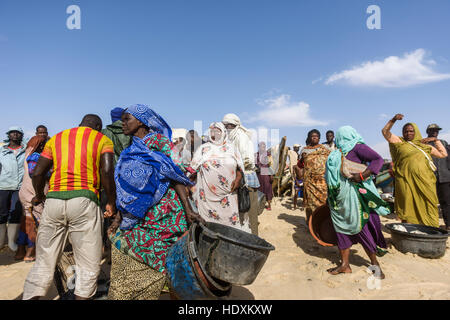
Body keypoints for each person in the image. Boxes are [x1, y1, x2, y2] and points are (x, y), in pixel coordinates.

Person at [107, 104, 203, 300]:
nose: (123, 123)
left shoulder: (160, 143)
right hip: (135, 217)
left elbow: (176, 174)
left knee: (168, 265)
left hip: (164, 214)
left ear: (141, 121)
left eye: (127, 119)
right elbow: (126, 186)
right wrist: (118, 216)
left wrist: (188, 209)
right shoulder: (131, 148)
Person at [23, 114, 116, 300]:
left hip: (54, 201)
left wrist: (40, 195)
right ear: (98, 126)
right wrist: (111, 201)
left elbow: (38, 172)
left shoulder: (57, 138)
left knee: (44, 262)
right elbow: (106, 171)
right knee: (87, 264)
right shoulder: (102, 139)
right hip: (85, 200)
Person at [326, 126, 390, 278]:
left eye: (340, 136)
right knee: (341, 229)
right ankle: (345, 265)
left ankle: (376, 265)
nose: (338, 139)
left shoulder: (357, 147)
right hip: (340, 200)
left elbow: (378, 159)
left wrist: (362, 176)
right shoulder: (338, 152)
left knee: (360, 228)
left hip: (355, 198)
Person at [382, 114, 447, 227]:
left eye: (411, 131)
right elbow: (385, 132)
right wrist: (393, 120)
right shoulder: (399, 143)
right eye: (406, 131)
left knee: (429, 204)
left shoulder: (424, 146)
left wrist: (436, 140)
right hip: (405, 181)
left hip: (426, 182)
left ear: (416, 131)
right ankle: (409, 231)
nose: (408, 133)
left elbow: (443, 154)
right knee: (408, 206)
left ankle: (429, 230)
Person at [190, 122, 249, 231]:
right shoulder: (203, 149)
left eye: (217, 131)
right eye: (212, 131)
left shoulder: (232, 149)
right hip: (207, 199)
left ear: (223, 133)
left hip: (229, 195)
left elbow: (240, 168)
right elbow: (192, 170)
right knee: (209, 227)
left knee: (230, 227)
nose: (215, 133)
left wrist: (238, 179)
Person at [222, 113, 260, 236]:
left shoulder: (241, 137)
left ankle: (253, 238)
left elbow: (247, 159)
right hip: (236, 177)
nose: (227, 128)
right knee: (240, 213)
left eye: (230, 125)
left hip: (246, 178)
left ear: (236, 125)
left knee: (249, 211)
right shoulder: (229, 138)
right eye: (225, 125)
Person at [16, 136, 48, 262]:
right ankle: (31, 251)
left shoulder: (27, 153)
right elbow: (34, 173)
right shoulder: (35, 156)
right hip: (34, 194)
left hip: (26, 192)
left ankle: (20, 251)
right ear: (40, 145)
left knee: (26, 220)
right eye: (43, 144)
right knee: (36, 223)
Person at [0, 127, 26, 253]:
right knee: (2, 214)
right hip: (3, 186)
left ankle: (11, 242)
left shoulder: (25, 150)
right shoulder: (1, 150)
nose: (15, 134)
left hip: (19, 187)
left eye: (18, 133)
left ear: (21, 136)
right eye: (12, 132)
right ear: (8, 135)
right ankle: (1, 242)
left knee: (15, 213)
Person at [299, 129, 331, 223]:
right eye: (312, 136)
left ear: (319, 138)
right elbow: (301, 164)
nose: (314, 137)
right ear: (309, 138)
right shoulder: (304, 150)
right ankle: (311, 223)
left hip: (321, 182)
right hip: (309, 182)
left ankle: (321, 222)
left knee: (322, 202)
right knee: (309, 203)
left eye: (316, 136)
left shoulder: (325, 150)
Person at [425, 123, 450, 230]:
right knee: (430, 202)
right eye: (432, 130)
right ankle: (430, 224)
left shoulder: (443, 143)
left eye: (436, 130)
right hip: (430, 178)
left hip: (445, 177)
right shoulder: (424, 144)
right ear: (428, 132)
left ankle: (448, 224)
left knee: (447, 202)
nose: (435, 132)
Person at [255, 142, 274, 211]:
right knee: (259, 189)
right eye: (261, 146)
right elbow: (254, 165)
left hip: (266, 172)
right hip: (258, 173)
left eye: (264, 146)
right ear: (259, 147)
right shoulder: (255, 155)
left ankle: (269, 205)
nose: (263, 148)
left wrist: (271, 175)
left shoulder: (268, 155)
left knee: (267, 188)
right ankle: (260, 205)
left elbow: (271, 165)